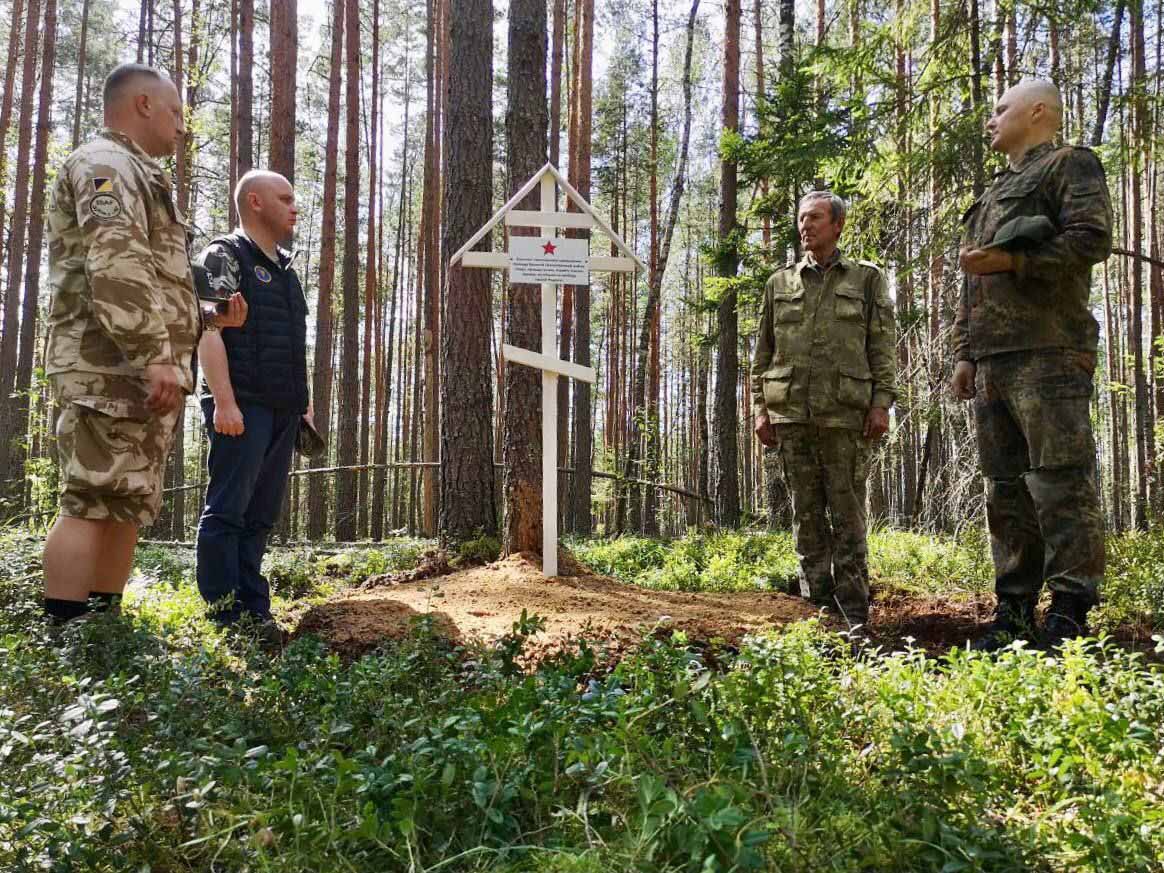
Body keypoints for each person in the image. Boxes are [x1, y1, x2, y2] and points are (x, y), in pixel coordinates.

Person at [41, 63, 246, 625]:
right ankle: (65, 642)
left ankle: (103, 633)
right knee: (90, 498)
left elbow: (150, 279)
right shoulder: (106, 166)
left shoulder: (140, 173)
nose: (182, 126)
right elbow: (116, 266)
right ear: (143, 105)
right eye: (176, 111)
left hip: (141, 367)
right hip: (108, 367)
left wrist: (203, 317)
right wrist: (153, 353)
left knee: (126, 502)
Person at [951, 79, 1113, 651]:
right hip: (995, 360)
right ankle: (1014, 610)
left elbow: (1091, 239)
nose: (991, 119)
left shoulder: (1070, 166)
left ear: (1037, 112)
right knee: (1005, 489)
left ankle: (1070, 611)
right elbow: (973, 285)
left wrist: (1015, 259)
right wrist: (966, 354)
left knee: (1061, 480)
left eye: (1001, 109)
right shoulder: (994, 194)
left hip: (1050, 352)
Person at [751, 191, 898, 630]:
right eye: (800, 218)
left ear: (838, 225)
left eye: (814, 217)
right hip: (791, 413)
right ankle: (815, 608)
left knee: (847, 512)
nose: (805, 225)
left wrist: (881, 402)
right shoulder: (779, 284)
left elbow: (882, 345)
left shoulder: (867, 279)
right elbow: (763, 353)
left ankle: (854, 612)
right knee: (805, 512)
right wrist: (760, 409)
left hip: (846, 416)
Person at [194, 170, 311, 633]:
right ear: (256, 202)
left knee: (261, 514)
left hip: (282, 408)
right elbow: (208, 331)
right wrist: (224, 402)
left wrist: (304, 405)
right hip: (241, 406)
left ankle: (253, 609)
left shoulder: (285, 268)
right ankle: (224, 613)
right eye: (284, 199)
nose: (293, 207)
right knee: (228, 509)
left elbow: (291, 343)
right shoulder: (223, 255)